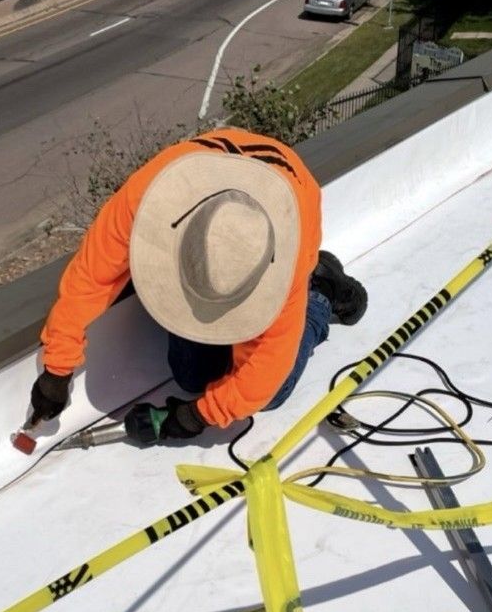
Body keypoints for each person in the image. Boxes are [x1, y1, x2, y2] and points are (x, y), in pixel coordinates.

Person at [30, 128, 367, 441]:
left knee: (273, 395)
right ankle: (220, 289)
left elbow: (265, 371)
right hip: (210, 205)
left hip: (290, 203)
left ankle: (320, 295)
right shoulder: (146, 199)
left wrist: (191, 418)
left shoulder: (290, 253)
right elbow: (88, 279)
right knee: (191, 377)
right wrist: (56, 372)